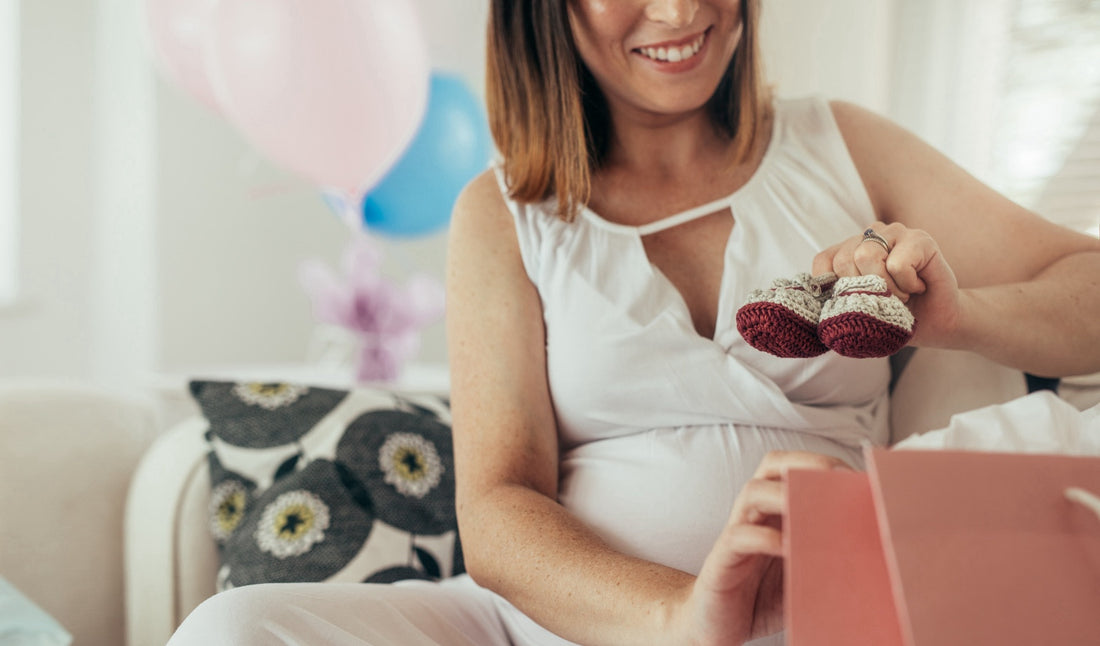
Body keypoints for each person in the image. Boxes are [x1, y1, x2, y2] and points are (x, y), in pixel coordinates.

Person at [167, 1, 1100, 644]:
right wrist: (685, 613)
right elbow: (497, 509)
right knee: (240, 628)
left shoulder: (838, 144)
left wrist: (958, 315)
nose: (680, 11)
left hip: (812, 617)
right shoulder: (506, 213)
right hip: (558, 628)